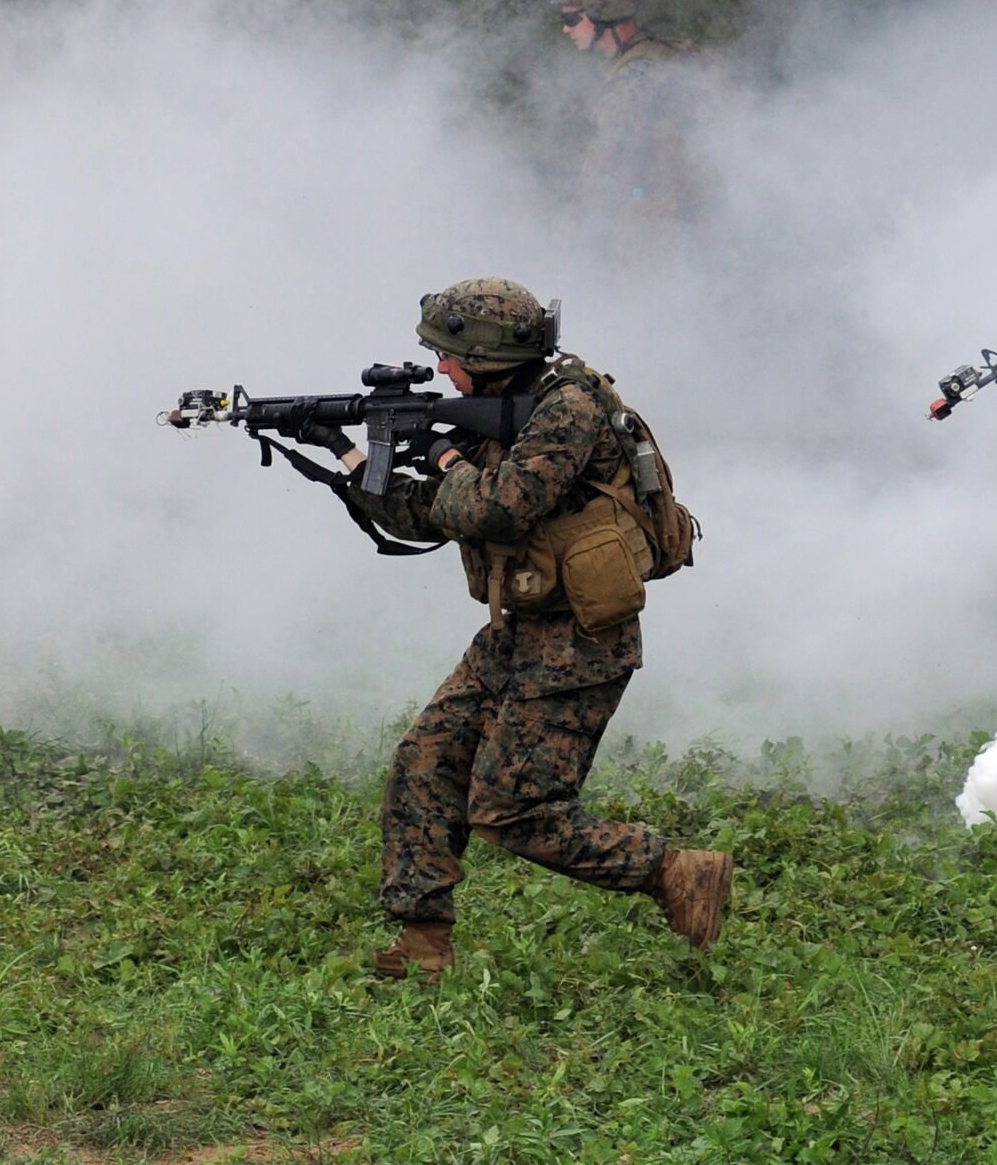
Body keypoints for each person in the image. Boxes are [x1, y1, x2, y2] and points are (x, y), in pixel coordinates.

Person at [301, 277, 733, 978]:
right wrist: (348, 456)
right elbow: (430, 515)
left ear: (486, 353)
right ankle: (422, 945)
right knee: (426, 762)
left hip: (581, 638)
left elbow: (497, 508)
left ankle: (675, 871)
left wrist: (442, 453)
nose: (440, 369)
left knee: (514, 810)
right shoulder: (501, 409)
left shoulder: (567, 409)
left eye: (447, 354)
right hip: (518, 626)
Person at [556, 0, 709, 219]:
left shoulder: (631, 83)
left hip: (663, 235)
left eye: (571, 18)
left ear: (599, 13)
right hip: (699, 223)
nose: (565, 29)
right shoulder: (666, 53)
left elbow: (600, 188)